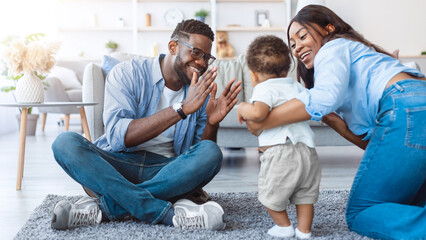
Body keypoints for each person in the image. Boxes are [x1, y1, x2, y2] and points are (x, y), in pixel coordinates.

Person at [246, 5, 426, 240]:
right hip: (414, 103)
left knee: (362, 212)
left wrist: (263, 121)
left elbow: (323, 99)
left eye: (302, 36)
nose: (297, 46)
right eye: (292, 44)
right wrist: (334, 121)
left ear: (329, 29)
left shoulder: (333, 47)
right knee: (410, 200)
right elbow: (374, 146)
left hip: (406, 104)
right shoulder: (356, 60)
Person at [50, 19, 242, 231]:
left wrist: (212, 124)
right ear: (173, 47)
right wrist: (181, 109)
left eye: (207, 57)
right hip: (116, 165)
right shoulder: (127, 73)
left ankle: (106, 209)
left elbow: (196, 155)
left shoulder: (200, 93)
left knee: (211, 153)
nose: (202, 63)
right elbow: (117, 137)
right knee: (64, 143)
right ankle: (170, 214)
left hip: (166, 171)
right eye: (196, 53)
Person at [237, 35, 321, 239]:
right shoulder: (296, 86)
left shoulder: (264, 88)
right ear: (286, 69)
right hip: (308, 152)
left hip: (280, 153)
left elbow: (258, 113)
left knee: (269, 195)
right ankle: (304, 231)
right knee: (305, 196)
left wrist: (241, 107)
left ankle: (283, 226)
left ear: (253, 74)